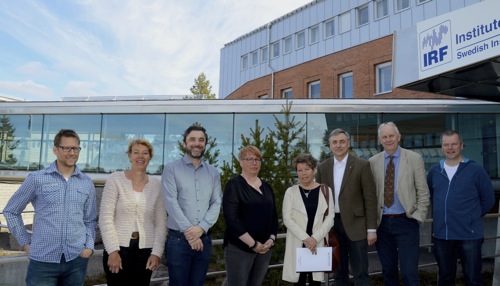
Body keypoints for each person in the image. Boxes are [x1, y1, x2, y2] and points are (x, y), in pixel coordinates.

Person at [3, 129, 97, 286]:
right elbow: (11, 211)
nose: (72, 152)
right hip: (42, 261)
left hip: (76, 260)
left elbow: (90, 219)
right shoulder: (37, 179)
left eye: (75, 148)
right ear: (55, 149)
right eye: (66, 148)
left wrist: (88, 247)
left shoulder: (86, 183)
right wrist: (26, 243)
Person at [427, 130, 495, 286]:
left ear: (462, 145)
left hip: (469, 236)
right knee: (445, 279)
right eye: (446, 144)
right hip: (442, 236)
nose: (450, 148)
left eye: (454, 144)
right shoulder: (434, 172)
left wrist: (471, 217)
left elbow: (488, 199)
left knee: (473, 280)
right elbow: (431, 195)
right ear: (442, 147)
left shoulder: (476, 170)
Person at [369, 122, 430, 286]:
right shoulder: (372, 162)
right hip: (382, 224)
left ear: (398, 136)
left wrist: (417, 216)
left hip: (406, 222)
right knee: (388, 271)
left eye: (391, 136)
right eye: (384, 137)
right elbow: (370, 195)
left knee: (409, 272)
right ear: (380, 140)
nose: (388, 139)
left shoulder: (414, 158)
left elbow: (423, 191)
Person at [99, 139, 167, 285]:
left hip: (145, 251)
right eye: (136, 152)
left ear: (150, 157)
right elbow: (105, 218)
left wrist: (156, 253)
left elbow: (161, 223)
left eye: (145, 153)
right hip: (118, 249)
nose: (140, 156)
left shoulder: (157, 185)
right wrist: (112, 251)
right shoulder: (115, 179)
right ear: (129, 155)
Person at [161, 125, 223, 286]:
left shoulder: (213, 173)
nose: (197, 143)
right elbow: (170, 202)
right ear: (184, 143)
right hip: (178, 241)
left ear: (205, 144)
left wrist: (201, 228)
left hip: (204, 240)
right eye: (192, 139)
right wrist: (190, 232)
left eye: (201, 140)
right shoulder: (171, 169)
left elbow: (216, 202)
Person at [316, 128, 378, 286]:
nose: (338, 145)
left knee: (361, 272)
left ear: (348, 143)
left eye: (342, 141)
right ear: (329, 145)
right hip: (332, 225)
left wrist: (371, 229)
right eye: (334, 142)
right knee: (338, 273)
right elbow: (319, 199)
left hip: (356, 226)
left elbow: (370, 199)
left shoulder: (362, 165)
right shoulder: (322, 167)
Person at [223, 145, 279, 286]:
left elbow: (273, 216)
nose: (254, 163)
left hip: (265, 249)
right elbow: (232, 220)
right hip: (240, 249)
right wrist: (253, 244)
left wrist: (271, 239)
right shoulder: (234, 185)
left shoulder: (267, 187)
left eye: (257, 159)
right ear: (241, 162)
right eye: (249, 159)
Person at [282, 153, 334, 285]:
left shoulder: (325, 191)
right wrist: (306, 238)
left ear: (314, 170)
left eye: (307, 169)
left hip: (317, 244)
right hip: (298, 243)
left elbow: (330, 218)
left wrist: (314, 238)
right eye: (300, 170)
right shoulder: (291, 192)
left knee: (315, 283)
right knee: (298, 282)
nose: (304, 173)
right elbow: (287, 219)